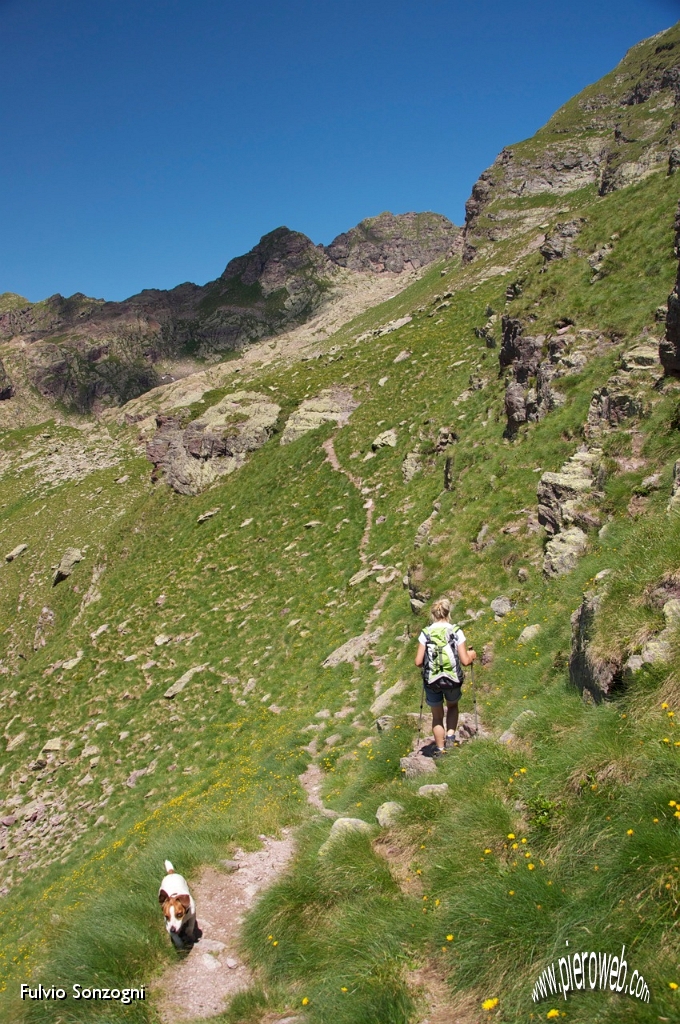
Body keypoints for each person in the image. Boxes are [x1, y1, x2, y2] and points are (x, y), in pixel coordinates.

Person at [415, 597, 476, 756]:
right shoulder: (456, 631)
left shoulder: (425, 633)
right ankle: (450, 737)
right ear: (448, 613)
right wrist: (472, 655)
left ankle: (440, 749)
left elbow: (418, 661)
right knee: (452, 706)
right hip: (452, 679)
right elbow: (464, 660)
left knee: (436, 716)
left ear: (433, 614)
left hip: (432, 681)